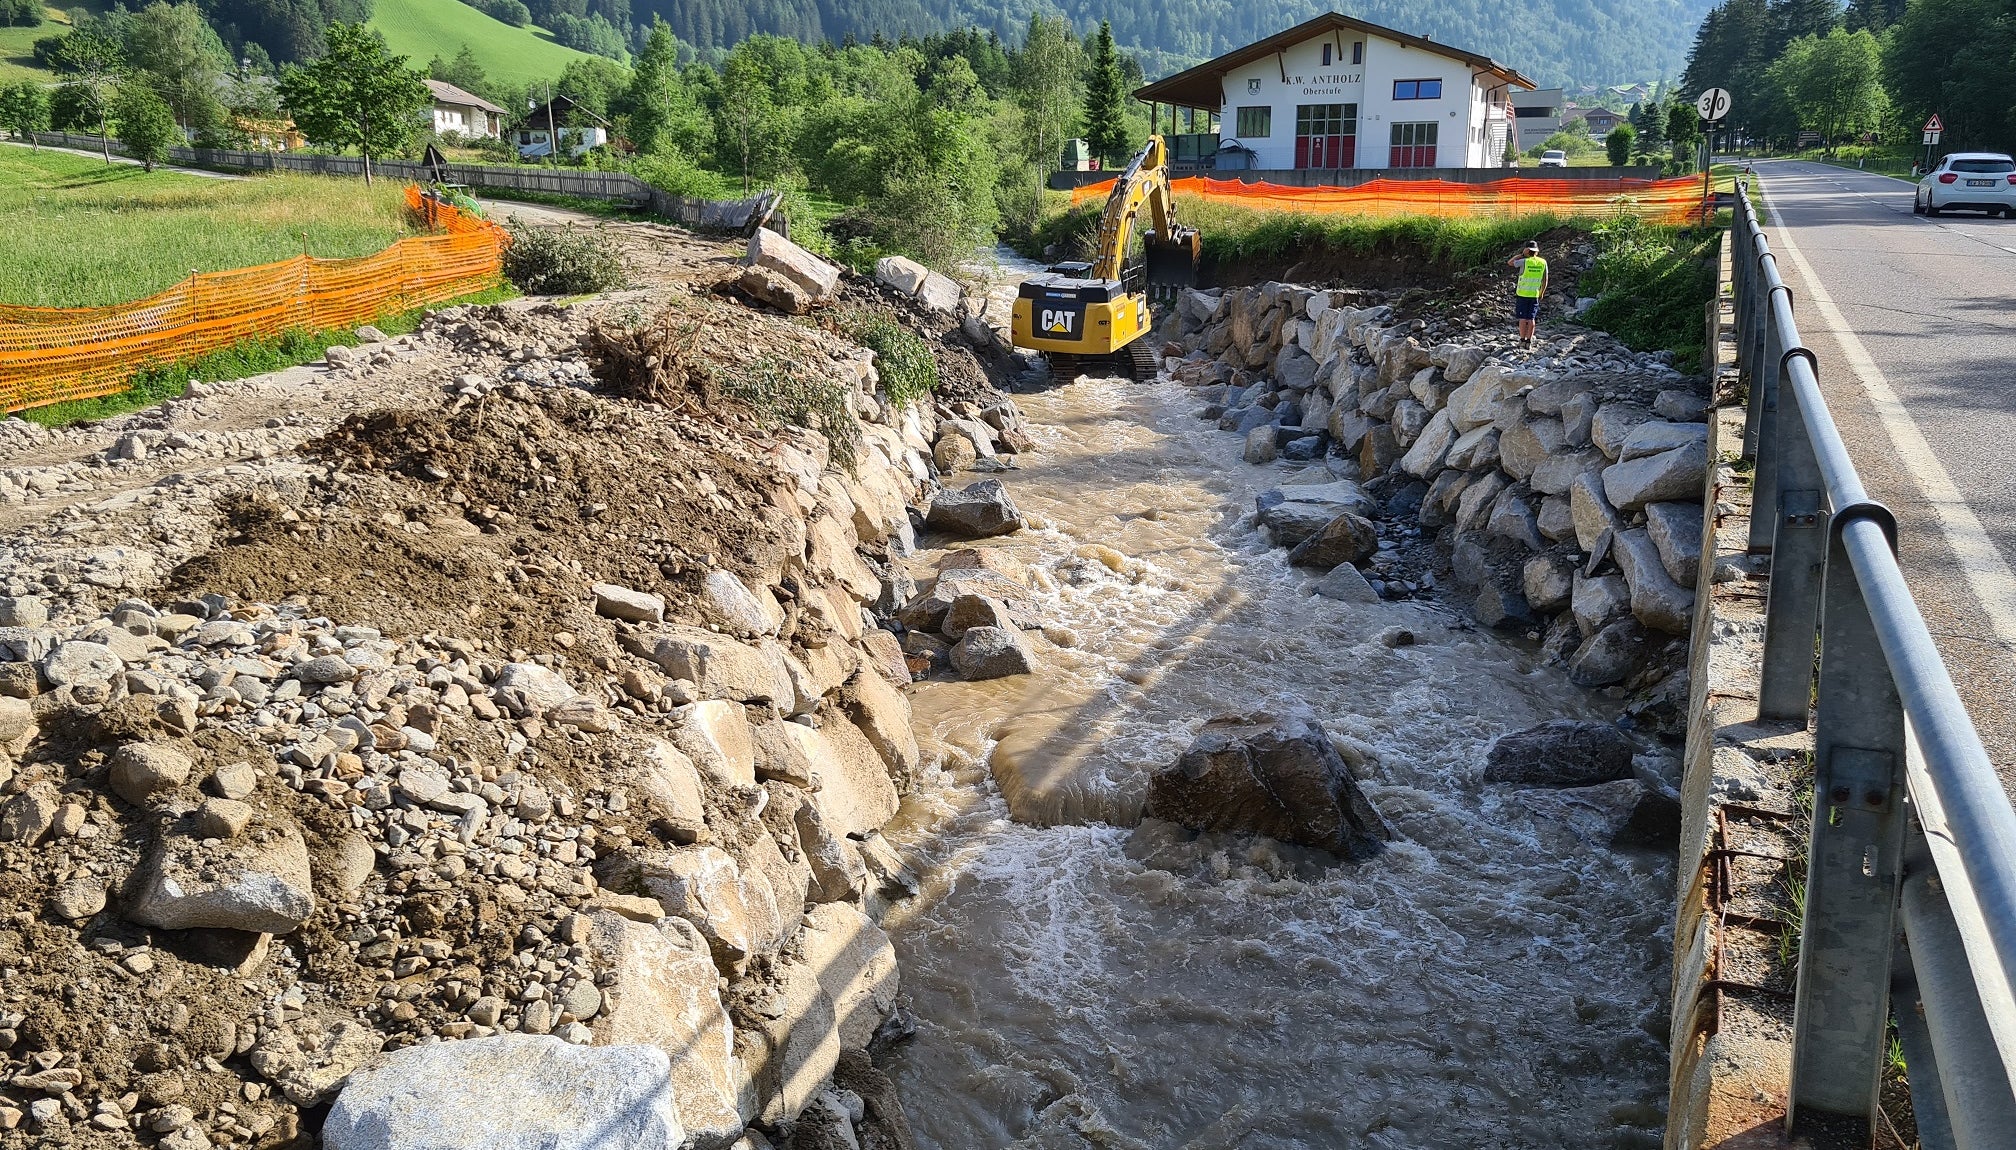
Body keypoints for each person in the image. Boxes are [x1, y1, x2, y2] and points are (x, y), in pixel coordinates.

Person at [1506, 241, 1548, 349]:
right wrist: (1542, 292)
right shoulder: (1543, 262)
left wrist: (1521, 254)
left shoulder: (1524, 261)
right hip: (1534, 295)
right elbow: (1545, 280)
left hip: (1522, 294)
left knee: (1523, 318)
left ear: (1527, 250)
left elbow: (1510, 262)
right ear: (1537, 251)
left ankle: (1522, 340)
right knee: (1531, 318)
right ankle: (1528, 341)